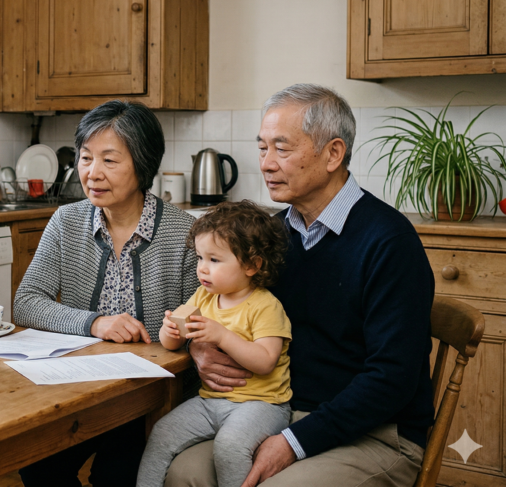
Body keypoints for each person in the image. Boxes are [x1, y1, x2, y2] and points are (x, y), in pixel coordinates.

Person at [165, 84, 433, 487]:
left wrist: (294, 441)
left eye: (282, 149)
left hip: (376, 432)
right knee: (181, 473)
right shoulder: (268, 238)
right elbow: (221, 311)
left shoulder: (389, 241)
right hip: (274, 410)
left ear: (333, 154)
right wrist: (199, 346)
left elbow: (392, 378)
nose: (266, 164)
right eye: (262, 148)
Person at [13, 100, 200, 487]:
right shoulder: (67, 220)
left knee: (118, 474)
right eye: (85, 158)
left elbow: (202, 323)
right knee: (37, 465)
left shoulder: (184, 233)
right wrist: (94, 323)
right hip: (81, 391)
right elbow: (27, 301)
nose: (92, 173)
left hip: (153, 398)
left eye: (109, 161)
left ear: (143, 164)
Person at [137, 201, 291, 487]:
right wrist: (170, 330)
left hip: (262, 404)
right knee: (161, 433)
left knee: (230, 447)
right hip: (211, 402)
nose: (202, 269)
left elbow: (266, 360)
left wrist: (222, 336)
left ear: (251, 265)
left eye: (214, 260)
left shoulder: (265, 306)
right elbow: (171, 344)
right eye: (199, 258)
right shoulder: (203, 297)